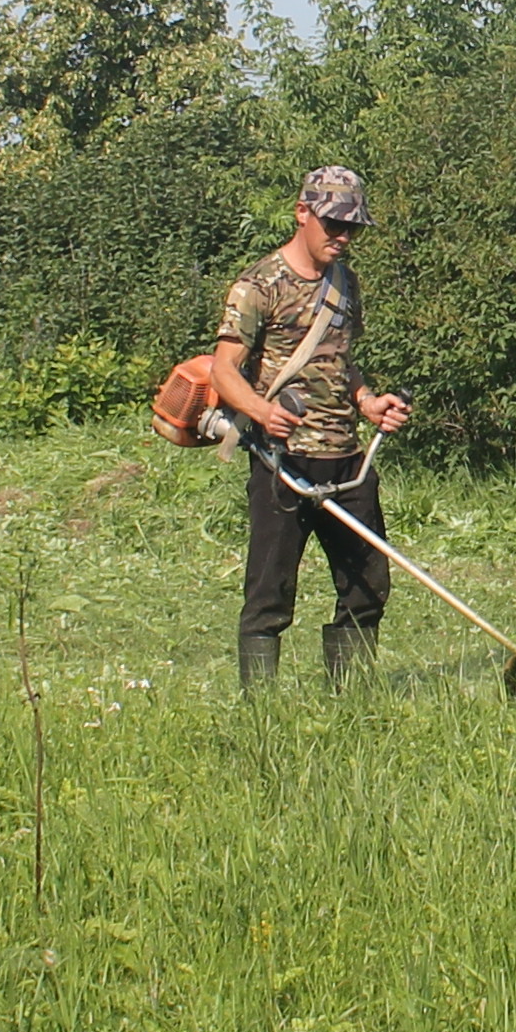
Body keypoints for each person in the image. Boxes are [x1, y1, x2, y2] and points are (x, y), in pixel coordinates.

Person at [209, 165, 412, 689]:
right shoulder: (258, 286)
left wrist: (368, 400)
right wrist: (258, 411)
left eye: (353, 229)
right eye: (333, 225)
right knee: (269, 594)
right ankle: (262, 714)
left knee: (369, 585)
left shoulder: (345, 283)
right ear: (302, 214)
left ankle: (351, 703)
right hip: (284, 460)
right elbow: (223, 371)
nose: (343, 237)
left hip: (346, 460)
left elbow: (339, 362)